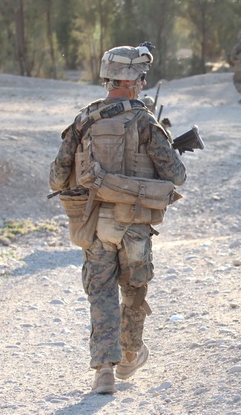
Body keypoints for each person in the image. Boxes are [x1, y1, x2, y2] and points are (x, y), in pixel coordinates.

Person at [49, 44, 187, 394]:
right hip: (135, 222)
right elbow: (176, 174)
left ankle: (104, 371)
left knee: (101, 293)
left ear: (107, 78)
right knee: (134, 289)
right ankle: (129, 355)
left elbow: (56, 178)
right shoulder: (145, 120)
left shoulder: (84, 120)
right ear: (138, 81)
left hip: (94, 223)